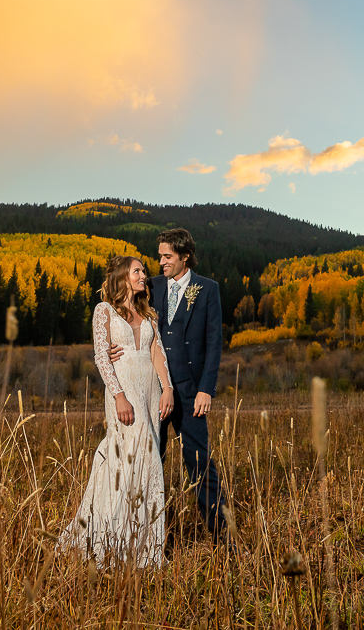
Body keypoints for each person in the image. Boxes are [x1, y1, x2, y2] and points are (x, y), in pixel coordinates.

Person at [110, 227, 226, 541]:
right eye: (159, 256)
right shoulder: (153, 286)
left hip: (190, 392)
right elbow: (122, 309)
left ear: (185, 256)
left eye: (167, 256)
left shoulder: (207, 289)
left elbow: (214, 343)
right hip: (151, 392)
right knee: (149, 462)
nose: (161, 262)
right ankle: (147, 535)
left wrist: (206, 388)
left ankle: (221, 535)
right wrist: (112, 344)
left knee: (199, 463)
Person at [60, 256, 175, 567]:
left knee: (148, 461)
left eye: (143, 271)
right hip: (124, 392)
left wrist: (168, 389)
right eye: (137, 271)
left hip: (150, 392)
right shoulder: (105, 312)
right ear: (124, 276)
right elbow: (101, 356)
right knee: (125, 457)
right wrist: (119, 396)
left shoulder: (149, 314)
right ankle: (110, 539)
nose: (143, 275)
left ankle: (146, 550)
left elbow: (157, 352)